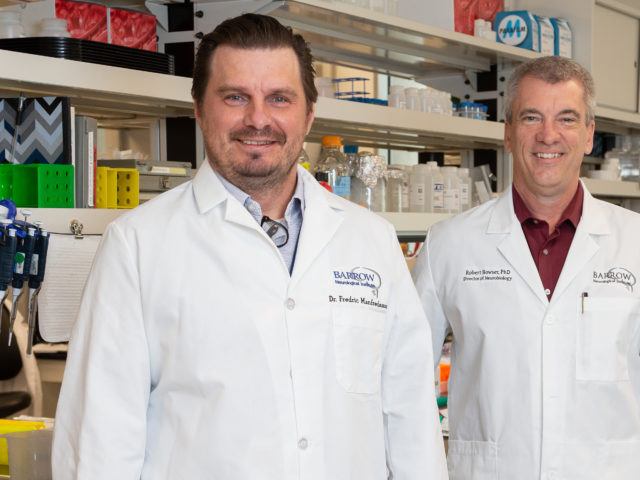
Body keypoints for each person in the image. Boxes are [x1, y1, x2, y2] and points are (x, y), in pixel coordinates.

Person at [52, 14, 447, 480]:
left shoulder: (369, 239)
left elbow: (411, 423)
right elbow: (100, 439)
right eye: (235, 97)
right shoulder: (138, 245)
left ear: (309, 115)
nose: (258, 118)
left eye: (279, 98)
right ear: (199, 108)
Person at [413, 56, 640, 480]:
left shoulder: (635, 243)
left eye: (567, 119)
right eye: (531, 116)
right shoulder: (450, 243)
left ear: (589, 134)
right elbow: (405, 379)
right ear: (509, 133)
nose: (548, 135)